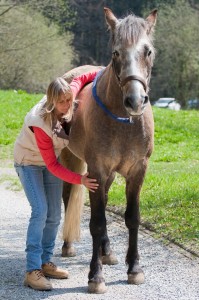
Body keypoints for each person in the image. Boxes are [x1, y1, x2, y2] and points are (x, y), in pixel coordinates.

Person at [14, 71, 99, 291]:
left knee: (54, 214)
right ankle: (32, 271)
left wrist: (107, 69)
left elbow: (82, 77)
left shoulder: (69, 97)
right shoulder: (39, 122)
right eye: (60, 102)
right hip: (28, 162)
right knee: (40, 211)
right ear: (51, 101)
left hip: (48, 162)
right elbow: (52, 165)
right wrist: (80, 179)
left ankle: (45, 261)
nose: (66, 105)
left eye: (68, 100)